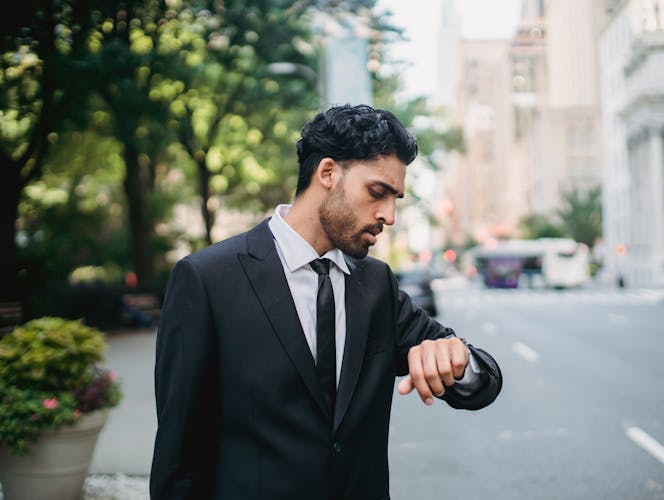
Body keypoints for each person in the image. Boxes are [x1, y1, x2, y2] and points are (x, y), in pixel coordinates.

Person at [149, 104, 502, 500]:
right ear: (328, 173)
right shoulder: (207, 279)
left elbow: (483, 383)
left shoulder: (376, 286)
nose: (389, 215)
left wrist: (457, 359)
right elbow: (179, 456)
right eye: (377, 192)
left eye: (396, 198)